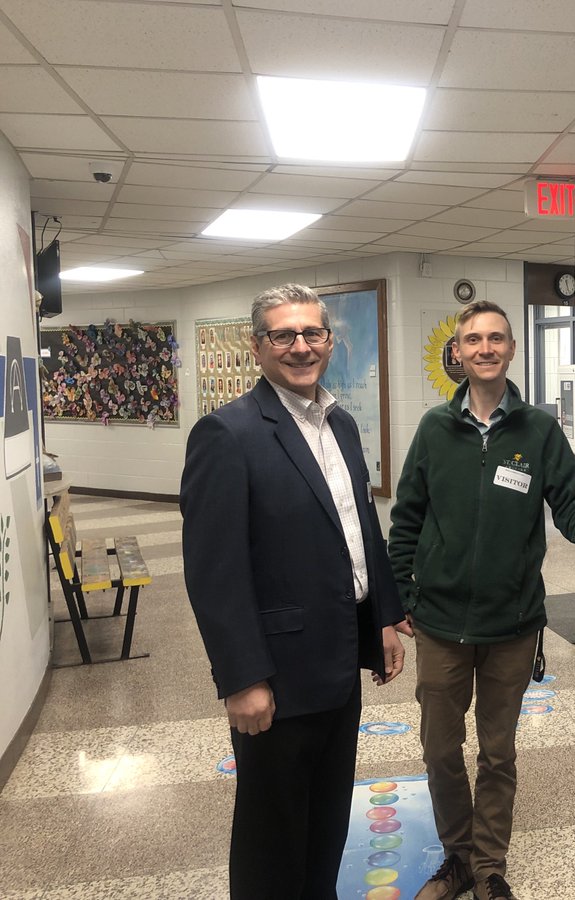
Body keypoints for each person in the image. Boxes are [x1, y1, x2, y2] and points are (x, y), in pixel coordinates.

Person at [180, 283, 406, 899]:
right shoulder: (227, 435)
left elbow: (360, 528)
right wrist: (241, 678)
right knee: (272, 836)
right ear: (257, 347)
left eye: (312, 333)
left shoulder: (342, 425)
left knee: (327, 821)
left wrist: (382, 618)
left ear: (330, 342)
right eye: (283, 335)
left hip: (338, 664)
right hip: (276, 678)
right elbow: (213, 571)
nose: (300, 346)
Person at [388, 299, 575, 900]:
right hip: (438, 623)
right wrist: (403, 595)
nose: (484, 348)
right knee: (440, 750)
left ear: (512, 350)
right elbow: (405, 519)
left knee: (497, 753)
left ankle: (488, 867)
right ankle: (456, 856)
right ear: (457, 353)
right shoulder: (435, 429)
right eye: (473, 339)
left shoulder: (537, 430)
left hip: (512, 623)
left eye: (496, 338)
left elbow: (569, 500)